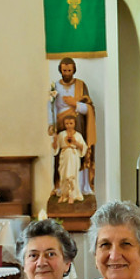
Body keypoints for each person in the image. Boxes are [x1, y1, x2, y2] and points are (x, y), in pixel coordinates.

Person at [49, 57, 96, 196]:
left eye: (69, 70)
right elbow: (51, 107)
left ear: (74, 70)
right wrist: (51, 124)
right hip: (60, 125)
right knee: (60, 157)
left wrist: (75, 104)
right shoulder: (55, 87)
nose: (67, 73)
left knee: (79, 153)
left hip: (78, 124)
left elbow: (89, 108)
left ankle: (80, 188)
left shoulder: (81, 86)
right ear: (60, 70)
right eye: (64, 70)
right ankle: (61, 188)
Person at [52, 115, 88, 203]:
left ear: (74, 124)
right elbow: (56, 148)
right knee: (64, 175)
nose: (69, 125)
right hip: (64, 156)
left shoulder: (78, 135)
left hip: (73, 156)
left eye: (71, 123)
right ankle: (64, 194)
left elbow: (84, 147)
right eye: (67, 123)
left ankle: (72, 195)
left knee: (72, 175)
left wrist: (76, 143)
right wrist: (55, 140)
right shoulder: (62, 134)